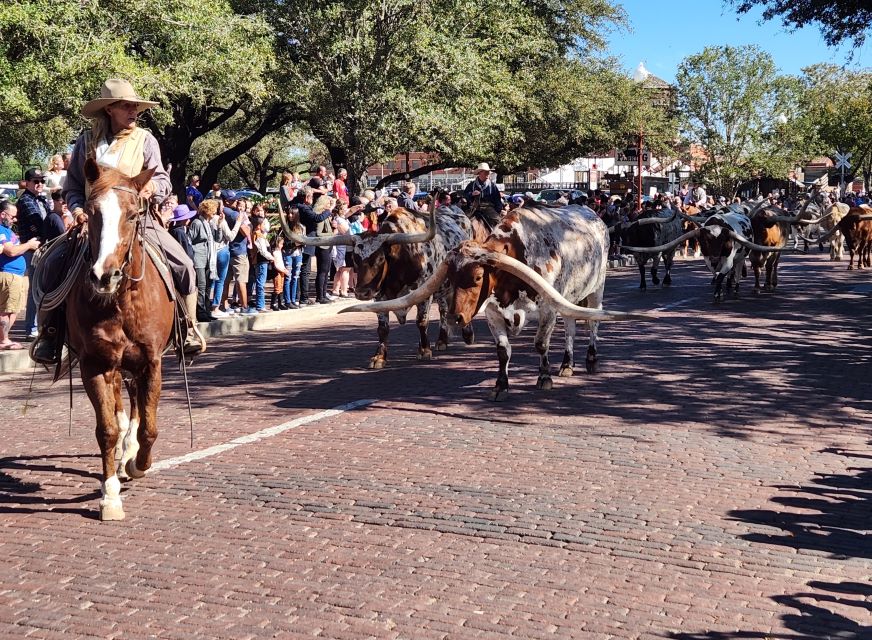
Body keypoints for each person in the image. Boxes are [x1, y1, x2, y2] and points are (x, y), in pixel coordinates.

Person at [33, 78, 206, 364]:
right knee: (51, 263)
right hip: (93, 222)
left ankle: (187, 327)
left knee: (183, 264)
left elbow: (162, 178)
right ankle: (50, 334)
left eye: (135, 106)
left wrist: (152, 188)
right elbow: (74, 186)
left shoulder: (145, 140)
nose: (133, 111)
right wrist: (77, 210)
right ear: (110, 109)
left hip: (137, 219)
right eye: (127, 106)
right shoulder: (86, 142)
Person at [16, 167, 51, 341]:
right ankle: (31, 328)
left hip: (44, 248)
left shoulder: (43, 200)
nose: (40, 184)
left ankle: (43, 325)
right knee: (35, 289)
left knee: (44, 289)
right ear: (27, 183)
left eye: (42, 181)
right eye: (36, 181)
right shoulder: (25, 201)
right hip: (32, 251)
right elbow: (39, 221)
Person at [0, 201, 40, 350]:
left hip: (14, 276)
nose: (14, 220)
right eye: (12, 216)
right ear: (3, 214)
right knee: (6, 309)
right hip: (8, 275)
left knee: (13, 309)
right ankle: (3, 341)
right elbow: (10, 251)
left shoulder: (6, 230)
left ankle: (4, 338)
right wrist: (29, 245)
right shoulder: (1, 231)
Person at [188, 199, 219, 321]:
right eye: (213, 210)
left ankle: (207, 309)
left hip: (209, 258)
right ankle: (200, 312)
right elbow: (190, 239)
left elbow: (218, 238)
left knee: (207, 285)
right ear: (207, 210)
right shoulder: (197, 223)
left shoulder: (209, 223)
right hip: (199, 258)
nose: (215, 212)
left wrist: (219, 225)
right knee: (201, 285)